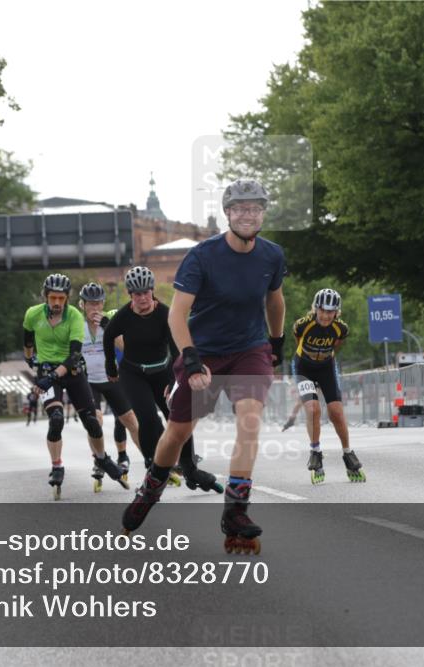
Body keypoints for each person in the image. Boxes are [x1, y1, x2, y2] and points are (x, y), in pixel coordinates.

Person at [121, 179, 286, 554]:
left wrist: (276, 345)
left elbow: (275, 301)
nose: (248, 215)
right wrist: (191, 359)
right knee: (177, 432)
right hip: (204, 351)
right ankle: (152, 487)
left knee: (249, 418)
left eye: (255, 208)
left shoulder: (272, 256)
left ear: (263, 214)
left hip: (250, 348)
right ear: (228, 213)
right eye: (240, 209)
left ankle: (236, 511)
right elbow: (177, 314)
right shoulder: (202, 255)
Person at [104, 267, 220, 492]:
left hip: (162, 371)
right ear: (130, 295)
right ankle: (152, 468)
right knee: (147, 418)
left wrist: (174, 380)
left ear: (152, 291)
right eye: (137, 294)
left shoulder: (165, 315)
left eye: (146, 292)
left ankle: (189, 467)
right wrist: (111, 365)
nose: (143, 298)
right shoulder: (124, 316)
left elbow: (177, 350)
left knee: (179, 418)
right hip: (133, 373)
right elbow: (109, 335)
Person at [23, 273, 128, 499]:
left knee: (92, 422)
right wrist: (29, 358)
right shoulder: (32, 314)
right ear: (46, 297)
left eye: (61, 298)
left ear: (68, 298)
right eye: (53, 298)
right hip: (46, 370)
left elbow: (73, 356)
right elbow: (28, 339)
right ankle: (57, 466)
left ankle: (101, 458)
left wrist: (49, 378)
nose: (57, 303)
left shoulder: (73, 317)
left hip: (72, 371)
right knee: (57, 418)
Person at [292, 288, 364, 483]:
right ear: (315, 309)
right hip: (304, 367)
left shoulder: (342, 328)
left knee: (336, 412)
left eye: (330, 312)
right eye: (322, 310)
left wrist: (323, 357)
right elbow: (299, 343)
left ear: (336, 312)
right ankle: (315, 450)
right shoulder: (302, 325)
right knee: (313, 409)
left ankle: (348, 453)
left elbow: (337, 344)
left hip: (326, 367)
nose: (325, 315)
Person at [77, 282, 141, 486]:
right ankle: (99, 459)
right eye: (90, 304)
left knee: (131, 420)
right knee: (94, 420)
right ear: (82, 305)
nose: (94, 308)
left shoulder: (110, 321)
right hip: (88, 382)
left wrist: (108, 327)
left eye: (98, 303)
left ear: (103, 303)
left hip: (111, 378)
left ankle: (152, 461)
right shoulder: (76, 325)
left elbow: (127, 347)